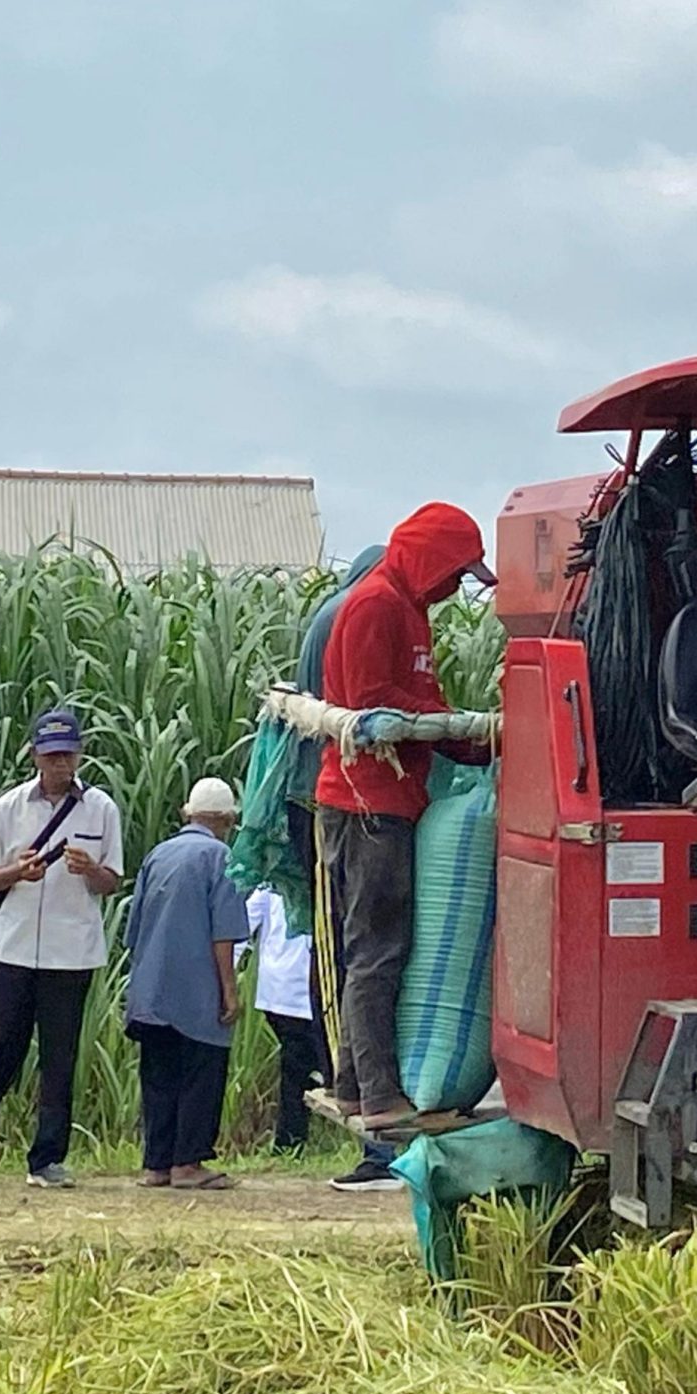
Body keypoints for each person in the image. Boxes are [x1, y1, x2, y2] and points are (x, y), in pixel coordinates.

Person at [316, 502, 493, 1135]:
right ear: (428, 559)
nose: (455, 588)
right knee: (377, 949)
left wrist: (474, 740)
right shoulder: (376, 605)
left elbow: (420, 701)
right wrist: (450, 725)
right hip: (366, 803)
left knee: (375, 946)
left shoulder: (410, 610)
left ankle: (352, 1086)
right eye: (455, 573)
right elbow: (374, 704)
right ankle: (379, 1093)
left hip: (391, 799)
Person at [0, 706, 122, 1191]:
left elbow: (112, 879)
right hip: (13, 947)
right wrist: (16, 872)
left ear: (80, 753)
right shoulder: (10, 807)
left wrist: (90, 870)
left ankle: (47, 1159)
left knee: (59, 1057)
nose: (60, 764)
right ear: (34, 756)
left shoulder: (101, 808)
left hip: (72, 951)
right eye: (51, 756)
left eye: (68, 755)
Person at [295, 547, 402, 1191]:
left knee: (347, 947)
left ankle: (358, 1098)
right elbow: (366, 705)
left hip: (332, 799)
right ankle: (372, 1125)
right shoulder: (362, 611)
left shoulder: (334, 610)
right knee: (363, 951)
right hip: (352, 800)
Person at [125, 778, 252, 1190]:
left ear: (188, 813)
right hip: (197, 987)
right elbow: (223, 934)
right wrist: (229, 991)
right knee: (201, 1072)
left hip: (151, 986)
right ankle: (188, 1162)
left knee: (158, 1073)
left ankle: (157, 1163)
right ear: (227, 820)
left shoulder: (158, 854)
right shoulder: (220, 857)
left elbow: (134, 929)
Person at [240, 885, 323, 1153]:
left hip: (281, 988)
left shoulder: (273, 879)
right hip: (292, 989)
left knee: (297, 1067)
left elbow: (241, 926)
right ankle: (291, 1140)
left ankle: (290, 1141)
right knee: (304, 1066)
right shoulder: (276, 883)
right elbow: (242, 925)